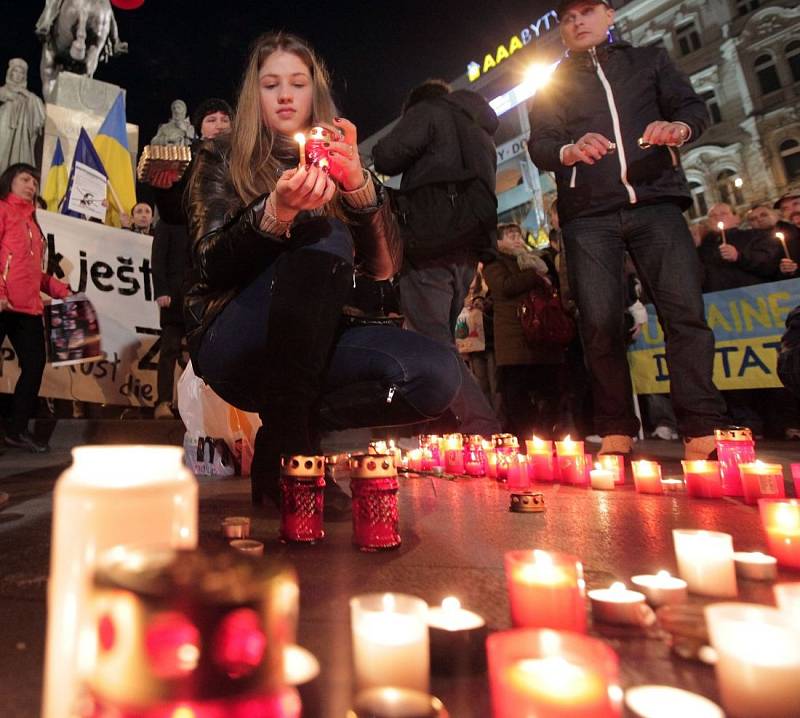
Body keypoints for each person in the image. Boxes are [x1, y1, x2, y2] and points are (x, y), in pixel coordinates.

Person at [185, 32, 460, 507]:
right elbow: (208, 263)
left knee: (436, 374)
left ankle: (287, 433)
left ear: (317, 91)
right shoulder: (223, 155)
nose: (287, 94)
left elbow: (386, 269)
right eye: (272, 84)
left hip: (318, 343)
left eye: (298, 82)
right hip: (237, 331)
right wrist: (274, 213)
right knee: (324, 232)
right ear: (256, 94)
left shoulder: (340, 159)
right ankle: (297, 453)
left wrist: (359, 190)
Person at [528, 0, 728, 459]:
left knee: (684, 314)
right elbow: (540, 142)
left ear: (609, 16)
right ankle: (615, 426)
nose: (576, 22)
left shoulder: (649, 59)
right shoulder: (554, 82)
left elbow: (693, 107)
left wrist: (678, 127)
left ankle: (701, 428)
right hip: (588, 213)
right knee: (599, 323)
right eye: (567, 18)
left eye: (586, 11)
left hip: (656, 201)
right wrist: (569, 150)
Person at [372, 79, 501, 436]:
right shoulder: (479, 129)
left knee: (433, 343)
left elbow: (386, 156)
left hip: (431, 242)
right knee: (440, 337)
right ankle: (444, 424)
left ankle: (482, 427)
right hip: (468, 248)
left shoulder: (429, 112)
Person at [150, 98, 232, 420]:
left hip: (232, 266)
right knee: (179, 346)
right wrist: (163, 188)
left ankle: (225, 406)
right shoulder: (189, 161)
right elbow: (172, 216)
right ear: (199, 128)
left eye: (225, 119)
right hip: (195, 271)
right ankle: (176, 404)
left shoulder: (245, 159)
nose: (220, 125)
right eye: (212, 119)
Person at [0, 163, 70, 451]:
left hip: (28, 308)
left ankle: (16, 430)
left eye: (35, 181)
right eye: (25, 179)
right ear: (10, 182)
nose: (31, 185)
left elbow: (34, 272)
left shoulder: (33, 223)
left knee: (34, 365)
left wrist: (62, 290)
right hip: (3, 303)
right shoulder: (3, 210)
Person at [484, 223, 564, 439]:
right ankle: (526, 437)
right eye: (511, 236)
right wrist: (535, 276)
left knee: (549, 391)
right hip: (513, 340)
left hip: (542, 335)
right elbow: (505, 287)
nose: (517, 240)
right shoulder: (495, 263)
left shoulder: (538, 260)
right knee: (515, 394)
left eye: (518, 235)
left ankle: (543, 436)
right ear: (498, 242)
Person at [698, 203, 781, 292]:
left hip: (754, 296)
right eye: (712, 215)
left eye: (723, 214)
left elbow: (768, 264)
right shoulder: (704, 246)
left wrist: (738, 256)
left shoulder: (755, 236)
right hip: (717, 301)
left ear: (736, 218)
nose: (717, 217)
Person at [0, 59, 45, 174]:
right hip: (3, 127)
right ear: (10, 73)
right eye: (16, 71)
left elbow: (40, 111)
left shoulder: (28, 96)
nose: (18, 75)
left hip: (21, 132)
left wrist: (26, 94)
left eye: (21, 73)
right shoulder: (3, 90)